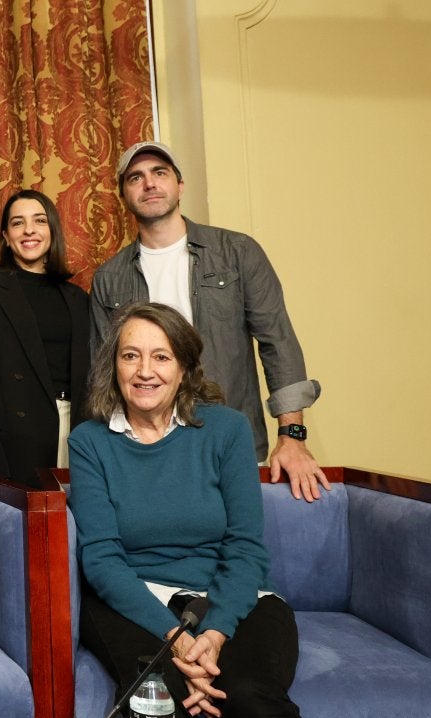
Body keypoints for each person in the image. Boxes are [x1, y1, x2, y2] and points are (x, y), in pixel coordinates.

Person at [68, 302, 317, 718]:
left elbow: (245, 547)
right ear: (113, 366)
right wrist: (180, 641)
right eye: (131, 356)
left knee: (249, 696)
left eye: (161, 357)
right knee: (158, 699)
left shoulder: (226, 430)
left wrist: (215, 635)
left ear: (184, 366)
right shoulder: (89, 441)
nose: (145, 371)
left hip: (230, 597)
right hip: (136, 600)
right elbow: (101, 558)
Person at [90, 141, 329, 501]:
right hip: (147, 451)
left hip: (229, 442)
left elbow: (277, 343)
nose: (150, 184)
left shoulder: (237, 252)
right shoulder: (109, 278)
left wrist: (292, 437)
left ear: (180, 185)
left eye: (160, 173)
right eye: (136, 178)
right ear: (124, 194)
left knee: (236, 546)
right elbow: (104, 374)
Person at [0, 190, 90, 486]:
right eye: (18, 223)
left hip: (75, 430)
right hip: (14, 439)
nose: (29, 230)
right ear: (5, 235)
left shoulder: (77, 298)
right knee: (24, 528)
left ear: (52, 229)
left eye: (39, 220)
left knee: (73, 525)